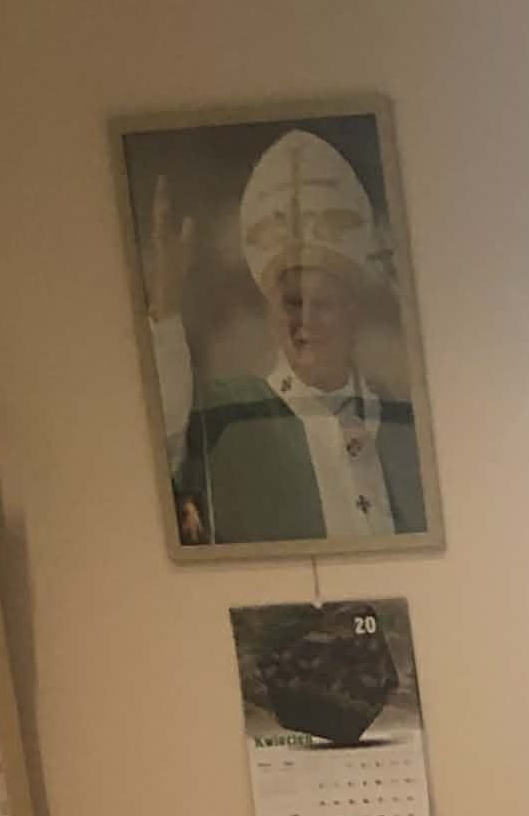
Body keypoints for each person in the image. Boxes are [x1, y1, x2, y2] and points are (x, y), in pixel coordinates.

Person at [142, 129, 426, 549]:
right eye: (291, 303)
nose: (304, 322)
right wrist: (165, 309)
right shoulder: (224, 418)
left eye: (322, 303)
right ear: (269, 311)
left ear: (353, 309)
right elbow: (159, 443)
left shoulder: (403, 420)